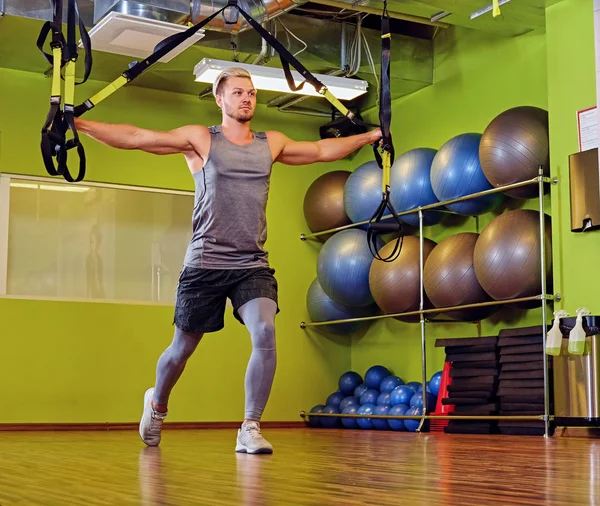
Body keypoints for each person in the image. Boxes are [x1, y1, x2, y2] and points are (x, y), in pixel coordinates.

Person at [74, 67, 382, 454]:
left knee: (265, 331)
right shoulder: (201, 140)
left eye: (251, 92)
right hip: (205, 262)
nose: (247, 98)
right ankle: (157, 403)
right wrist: (80, 124)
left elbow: (321, 151)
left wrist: (370, 136)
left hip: (251, 263)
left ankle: (250, 426)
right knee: (181, 350)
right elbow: (138, 138)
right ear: (219, 99)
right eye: (237, 92)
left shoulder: (271, 144)